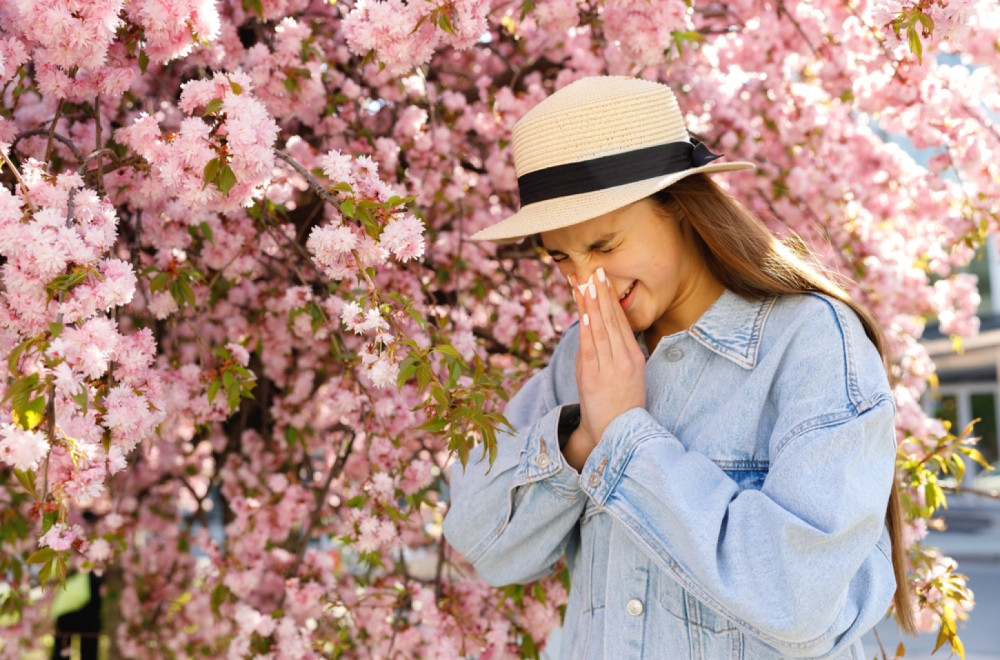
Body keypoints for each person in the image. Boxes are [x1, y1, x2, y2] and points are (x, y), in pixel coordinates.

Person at [442, 76, 916, 659]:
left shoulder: (810, 341)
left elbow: (799, 599)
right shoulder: (583, 354)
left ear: (681, 210)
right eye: (561, 257)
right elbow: (487, 544)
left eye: (605, 245)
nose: (583, 280)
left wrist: (628, 443)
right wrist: (584, 439)